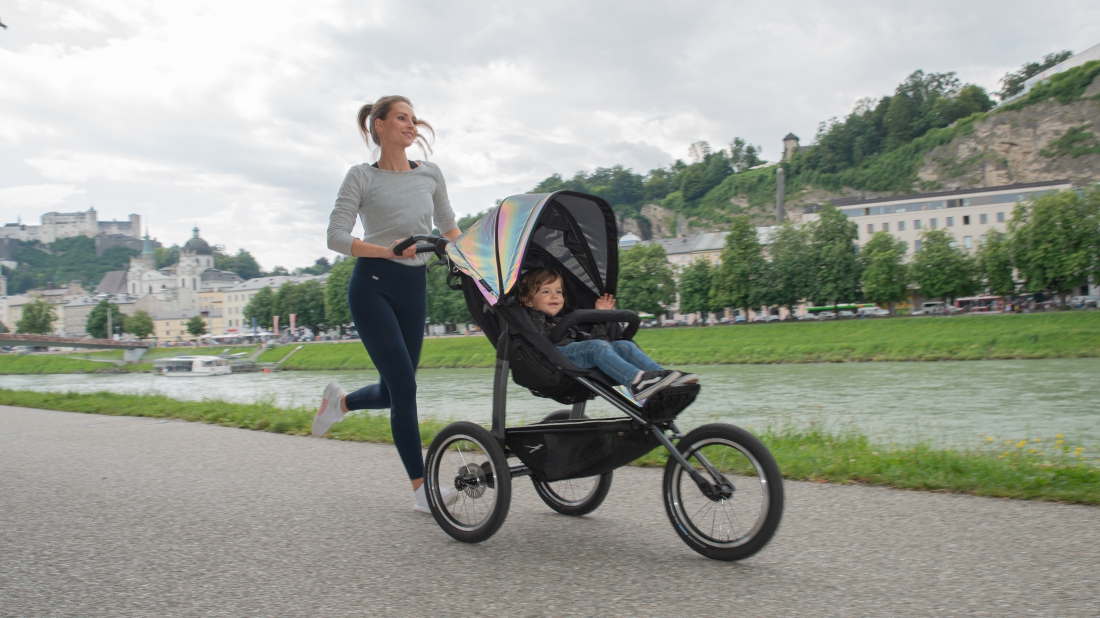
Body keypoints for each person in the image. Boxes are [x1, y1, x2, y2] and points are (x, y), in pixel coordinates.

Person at [313, 95, 460, 514]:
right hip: (372, 286)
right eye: (402, 118)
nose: (411, 125)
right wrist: (385, 251)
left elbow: (450, 228)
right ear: (379, 125)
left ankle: (338, 403)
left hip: (415, 288)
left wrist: (482, 262)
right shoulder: (361, 176)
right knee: (405, 388)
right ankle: (422, 492)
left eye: (414, 119)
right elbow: (336, 236)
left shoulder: (430, 174)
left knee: (396, 388)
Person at [517, 268, 697, 399]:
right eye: (546, 292)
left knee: (623, 345)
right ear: (527, 300)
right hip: (551, 359)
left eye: (558, 292)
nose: (555, 296)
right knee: (595, 347)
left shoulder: (563, 320)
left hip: (572, 355)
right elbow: (541, 338)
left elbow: (598, 342)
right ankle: (637, 381)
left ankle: (661, 376)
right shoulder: (531, 318)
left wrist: (601, 315)